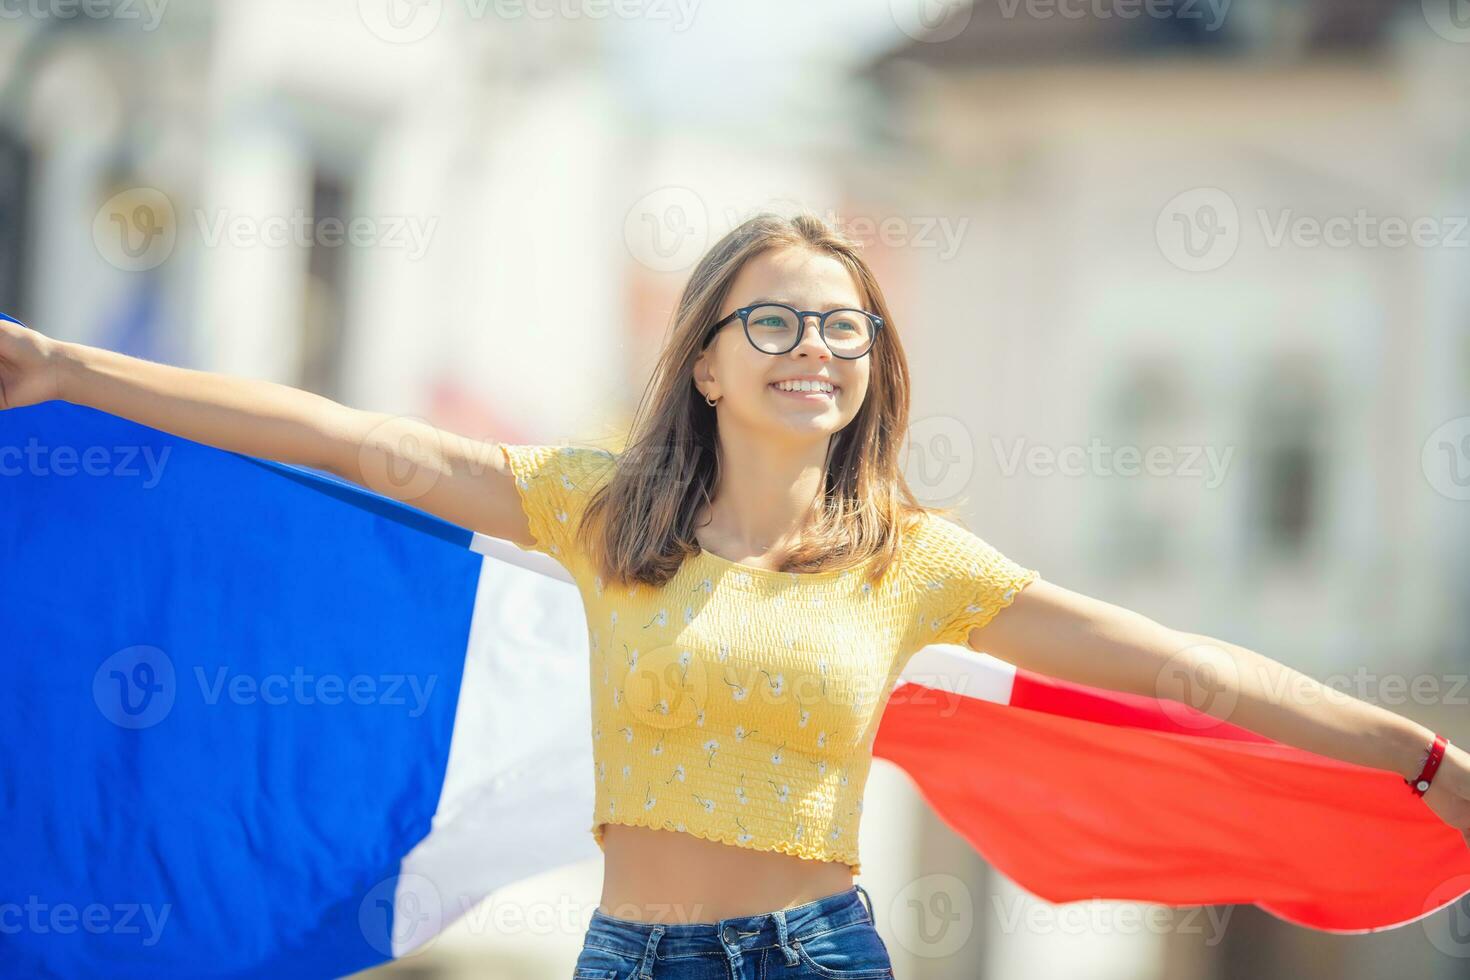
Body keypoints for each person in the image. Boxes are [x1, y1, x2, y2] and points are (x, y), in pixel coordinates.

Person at [1, 213, 1466, 979]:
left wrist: (1416, 756)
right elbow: (366, 443)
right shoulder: (596, 508)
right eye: (772, 318)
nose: (811, 345)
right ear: (705, 360)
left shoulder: (912, 561)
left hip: (816, 956)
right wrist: (70, 370)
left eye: (842, 325)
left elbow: (1180, 675)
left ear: (869, 367)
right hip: (628, 957)